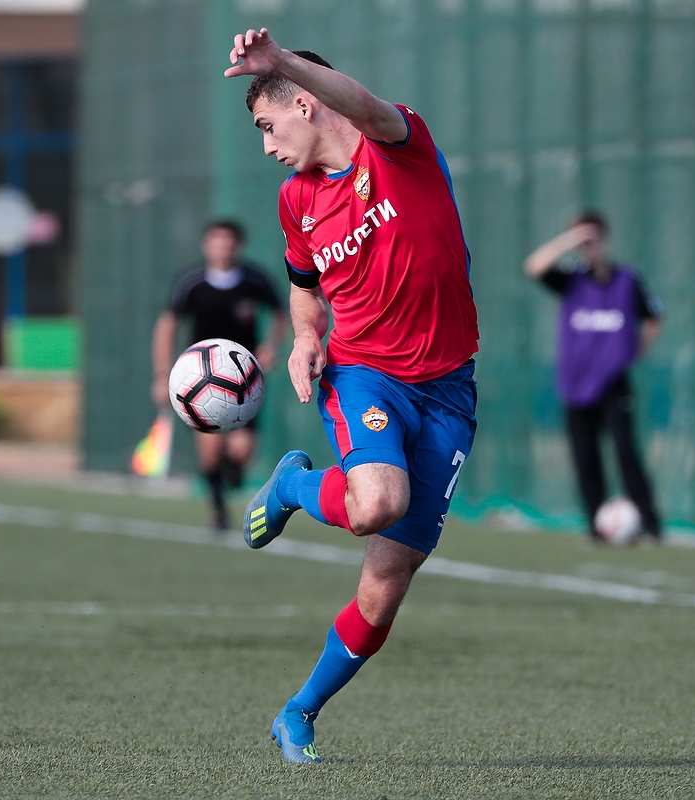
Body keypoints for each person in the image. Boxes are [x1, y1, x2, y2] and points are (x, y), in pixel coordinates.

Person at [225, 30, 479, 763]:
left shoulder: (396, 146)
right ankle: (295, 485)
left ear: (305, 103)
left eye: (268, 126)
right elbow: (305, 290)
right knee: (375, 504)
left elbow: (363, 105)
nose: (267, 146)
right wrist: (306, 337)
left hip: (450, 389)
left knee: (384, 587)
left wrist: (282, 62)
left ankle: (298, 712)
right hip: (365, 374)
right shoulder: (296, 201)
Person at [524, 212, 664, 542]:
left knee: (626, 452)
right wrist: (570, 240)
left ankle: (650, 524)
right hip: (575, 383)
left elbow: (654, 317)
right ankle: (597, 525)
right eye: (582, 240)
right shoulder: (571, 279)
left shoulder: (628, 279)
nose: (588, 246)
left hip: (613, 382)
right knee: (585, 457)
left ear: (606, 239)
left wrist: (635, 351)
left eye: (592, 238)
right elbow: (534, 266)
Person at [151, 220, 286, 530]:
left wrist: (272, 345)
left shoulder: (254, 279)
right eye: (217, 240)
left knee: (242, 450)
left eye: (229, 240)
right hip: (199, 383)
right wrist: (161, 375)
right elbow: (167, 325)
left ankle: (233, 472)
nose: (223, 246)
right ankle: (218, 511)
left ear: (238, 246)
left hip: (244, 381)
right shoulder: (191, 282)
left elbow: (280, 311)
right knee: (210, 450)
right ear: (206, 245)